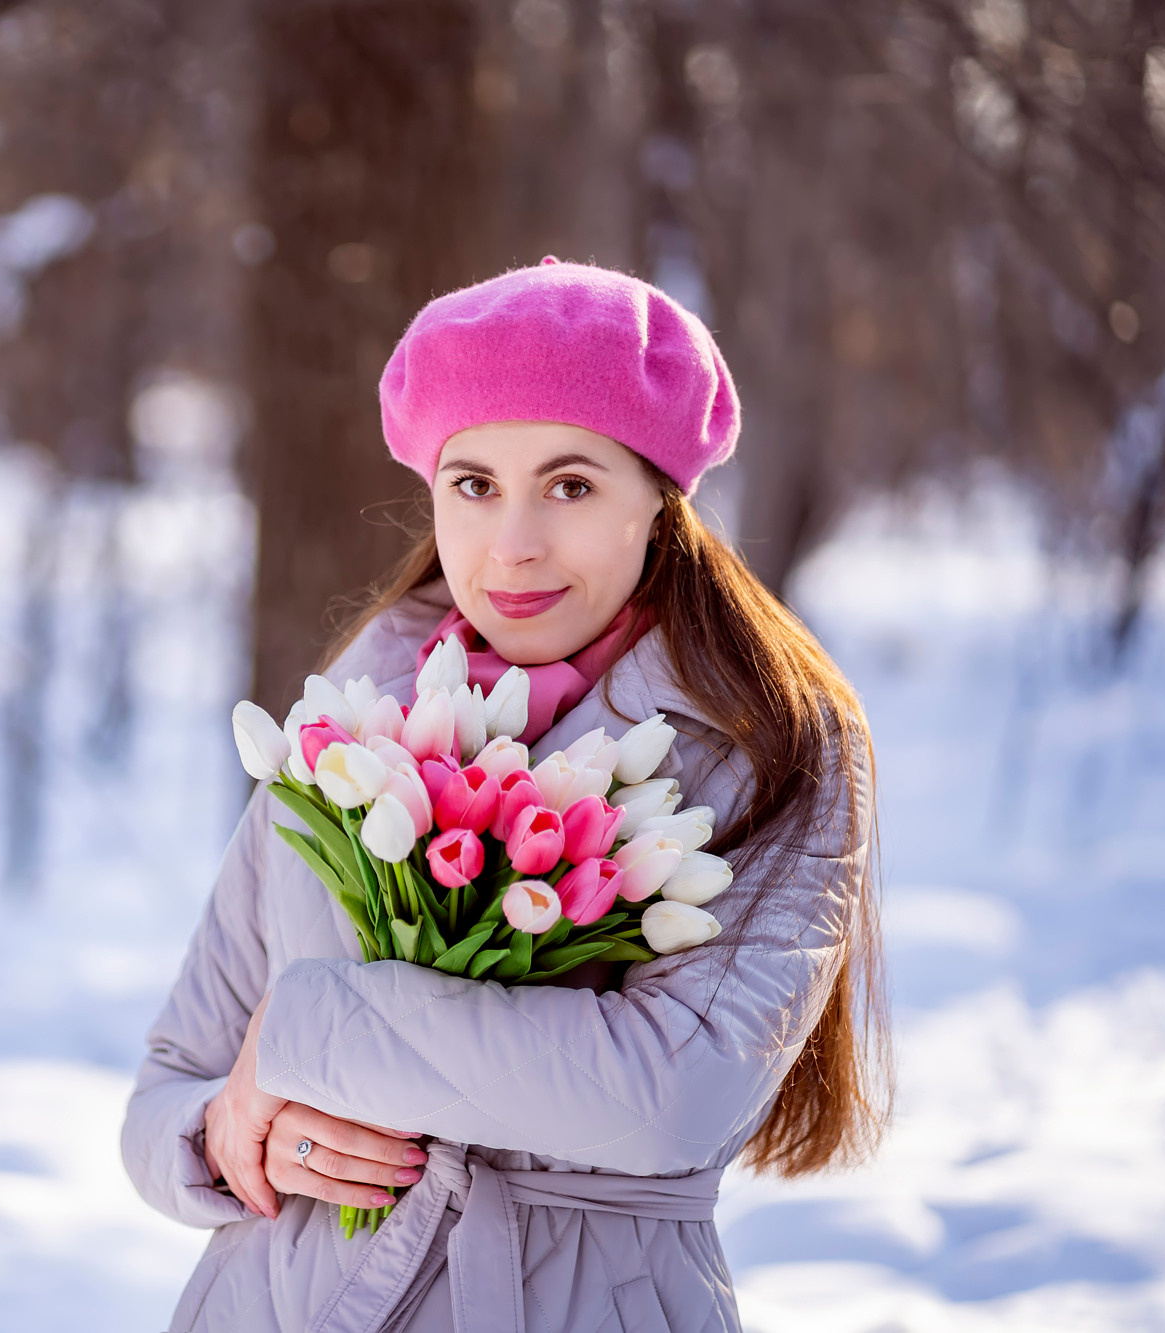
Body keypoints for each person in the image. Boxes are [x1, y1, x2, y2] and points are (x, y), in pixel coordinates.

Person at [121, 256, 889, 1332]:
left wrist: (312, 1027)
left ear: (657, 500)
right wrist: (227, 1136)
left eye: (569, 485)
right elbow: (170, 1086)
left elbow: (669, 1098)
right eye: (471, 485)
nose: (512, 543)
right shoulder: (350, 717)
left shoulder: (766, 743)